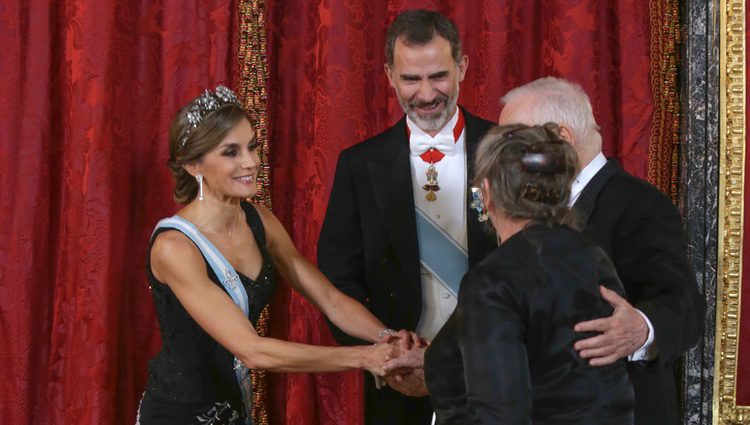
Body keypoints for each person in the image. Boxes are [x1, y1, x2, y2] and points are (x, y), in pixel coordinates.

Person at [137, 86, 407, 425]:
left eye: (252, 146)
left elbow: (328, 298)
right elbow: (252, 350)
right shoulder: (174, 247)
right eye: (230, 152)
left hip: (236, 410)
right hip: (177, 415)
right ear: (193, 165)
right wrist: (366, 357)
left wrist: (387, 338)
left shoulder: (258, 219)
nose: (251, 162)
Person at [386, 123, 635, 424]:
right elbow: (556, 367)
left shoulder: (493, 279)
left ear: (487, 191)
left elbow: (501, 414)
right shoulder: (592, 256)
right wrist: (438, 359)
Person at [317, 9, 496, 425]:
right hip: (401, 381)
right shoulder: (359, 165)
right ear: (389, 75)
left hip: (494, 372)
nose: (427, 93)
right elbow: (337, 280)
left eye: (438, 76)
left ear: (463, 67)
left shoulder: (505, 149)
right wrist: (387, 352)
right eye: (411, 79)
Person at [496, 77, 706, 425]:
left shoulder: (639, 204)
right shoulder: (525, 208)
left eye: (516, 142)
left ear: (561, 138)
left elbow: (684, 305)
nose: (506, 159)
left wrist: (641, 327)